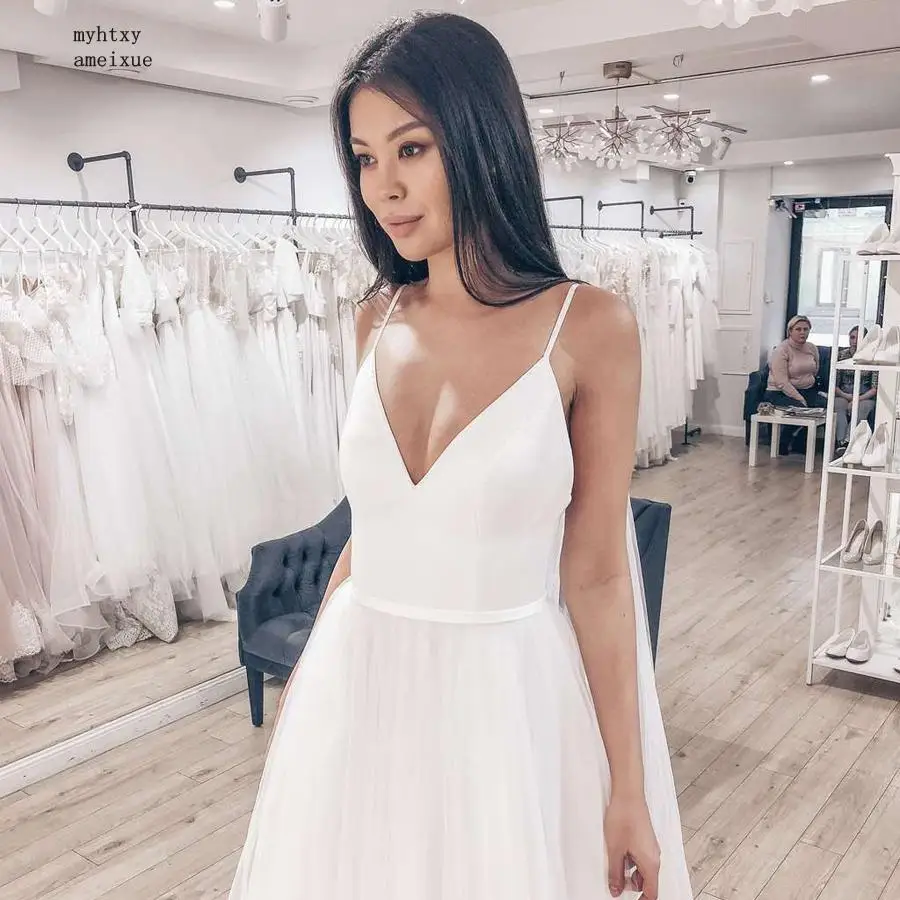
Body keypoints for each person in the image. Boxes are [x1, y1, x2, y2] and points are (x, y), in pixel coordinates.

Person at [230, 13, 691, 900]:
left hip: (504, 700)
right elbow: (371, 533)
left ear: (482, 141)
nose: (384, 188)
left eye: (411, 149)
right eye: (365, 158)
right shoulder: (374, 321)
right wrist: (308, 679)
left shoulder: (589, 326)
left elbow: (598, 573)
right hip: (356, 685)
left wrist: (627, 784)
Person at [764, 314, 827, 409]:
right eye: (798, 329)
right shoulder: (781, 350)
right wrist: (800, 399)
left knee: (826, 405)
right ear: (790, 331)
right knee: (800, 409)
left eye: (805, 329)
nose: (802, 332)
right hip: (781, 392)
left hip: (807, 390)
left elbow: (815, 371)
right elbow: (781, 382)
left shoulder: (812, 347)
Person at [834, 325, 877, 452]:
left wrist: (857, 399)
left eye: (858, 338)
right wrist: (847, 397)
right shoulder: (841, 355)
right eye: (852, 337)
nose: (854, 341)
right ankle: (840, 442)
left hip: (865, 395)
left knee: (861, 408)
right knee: (837, 405)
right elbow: (834, 384)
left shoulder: (873, 357)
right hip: (843, 394)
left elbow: (875, 388)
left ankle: (849, 442)